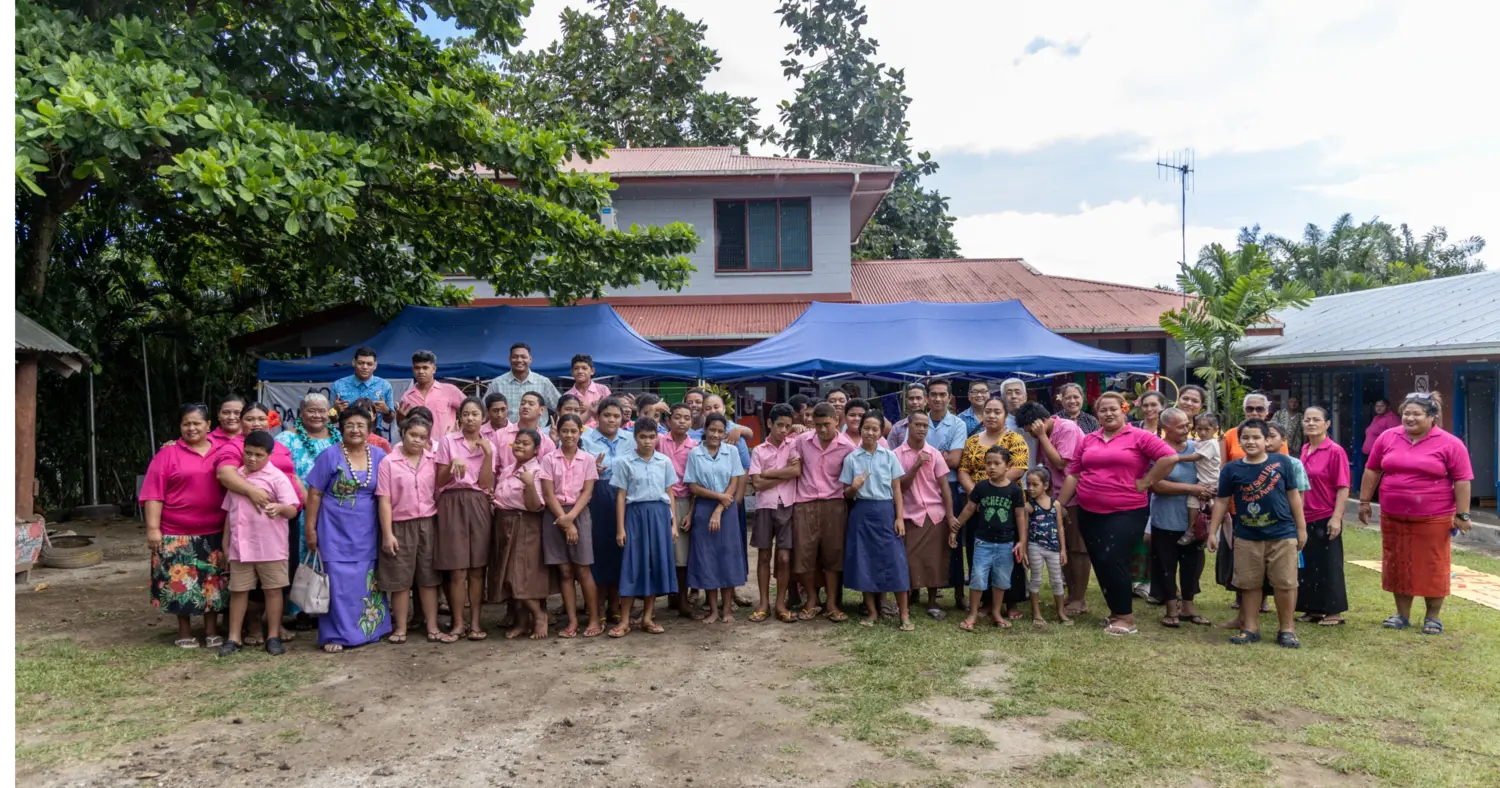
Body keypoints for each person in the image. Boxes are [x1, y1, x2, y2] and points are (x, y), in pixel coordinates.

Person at [1056, 392, 1180, 636]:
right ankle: (1115, 612)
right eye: (1103, 410)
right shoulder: (1089, 439)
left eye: (1113, 409)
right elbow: (1074, 474)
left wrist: (1146, 482)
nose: (1108, 413)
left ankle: (1126, 617)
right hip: (1089, 511)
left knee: (1113, 558)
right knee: (1100, 560)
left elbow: (1169, 457)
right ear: (1097, 414)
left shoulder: (1139, 436)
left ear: (1124, 410)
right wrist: (1059, 505)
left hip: (1127, 511)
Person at [1359, 394, 1474, 635]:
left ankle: (1433, 617)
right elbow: (1372, 470)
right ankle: (1402, 615)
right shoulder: (1388, 437)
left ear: (1432, 417)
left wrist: (1462, 514)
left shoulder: (1450, 443)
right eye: (1406, 413)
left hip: (1434, 518)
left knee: (1433, 565)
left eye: (1417, 414)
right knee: (1398, 563)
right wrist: (1364, 501)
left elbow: (1462, 480)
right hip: (1393, 515)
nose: (1410, 418)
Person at [1206, 419, 1307, 648]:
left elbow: (1293, 496)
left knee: (1285, 582)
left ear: (1266, 440)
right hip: (1246, 536)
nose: (1251, 442)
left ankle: (1287, 630)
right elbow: (1222, 501)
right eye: (1246, 438)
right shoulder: (1231, 469)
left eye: (1256, 437)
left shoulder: (1282, 463)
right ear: (1239, 441)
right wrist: (1213, 532)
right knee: (1249, 583)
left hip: (1282, 534)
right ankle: (1249, 628)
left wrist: (1301, 529)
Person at [302, 404, 392, 653]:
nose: (355, 430)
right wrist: (310, 529)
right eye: (349, 425)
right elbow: (314, 494)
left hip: (367, 529)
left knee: (366, 580)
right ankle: (336, 635)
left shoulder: (379, 456)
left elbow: (386, 495)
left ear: (369, 429)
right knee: (338, 583)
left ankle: (370, 630)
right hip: (333, 529)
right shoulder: (329, 455)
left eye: (360, 425)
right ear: (341, 428)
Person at [141, 403, 231, 649]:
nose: (191, 428)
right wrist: (153, 529)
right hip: (176, 533)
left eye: (196, 423)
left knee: (213, 583)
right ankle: (184, 631)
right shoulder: (167, 454)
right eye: (186, 424)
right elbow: (153, 494)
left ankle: (211, 629)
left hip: (215, 532)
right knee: (181, 584)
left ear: (208, 425)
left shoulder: (223, 452)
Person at [218, 430, 300, 656]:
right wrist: (226, 543)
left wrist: (280, 508)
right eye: (248, 453)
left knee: (273, 591)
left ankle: (273, 636)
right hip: (241, 547)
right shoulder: (237, 477)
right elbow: (229, 513)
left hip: (270, 546)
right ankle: (234, 637)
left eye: (258, 455)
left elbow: (292, 510)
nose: (252, 459)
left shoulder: (277, 478)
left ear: (269, 455)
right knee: (238, 591)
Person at [376, 415, 453, 645]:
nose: (417, 440)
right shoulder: (389, 462)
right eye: (413, 435)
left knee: (429, 578)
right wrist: (387, 533)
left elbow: (439, 490)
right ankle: (401, 628)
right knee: (400, 580)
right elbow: (384, 500)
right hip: (400, 525)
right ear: (403, 433)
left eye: (422, 437)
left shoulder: (432, 460)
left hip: (428, 523)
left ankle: (432, 627)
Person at [838, 412, 913, 630]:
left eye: (874, 429)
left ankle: (904, 614)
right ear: (860, 429)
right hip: (861, 513)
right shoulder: (851, 459)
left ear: (881, 433)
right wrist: (854, 487)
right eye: (866, 428)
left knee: (896, 562)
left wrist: (899, 517)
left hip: (886, 511)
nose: (870, 432)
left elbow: (897, 489)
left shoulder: (889, 456)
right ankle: (871, 611)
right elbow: (846, 493)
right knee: (865, 561)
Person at [955, 399, 1029, 616]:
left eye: (997, 412)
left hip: (1007, 503)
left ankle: (1011, 602)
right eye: (988, 411)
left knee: (1009, 553)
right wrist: (978, 495)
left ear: (1005, 415)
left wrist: (992, 491)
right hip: (978, 505)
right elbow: (963, 470)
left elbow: (1019, 468)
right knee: (980, 553)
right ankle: (986, 602)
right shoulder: (972, 441)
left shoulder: (1015, 439)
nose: (991, 415)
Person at [1013, 402, 1086, 615]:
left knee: (1077, 549)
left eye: (1030, 429)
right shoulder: (1047, 432)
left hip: (1075, 497)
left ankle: (1079, 599)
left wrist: (1042, 436)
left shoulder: (1066, 429)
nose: (1030, 434)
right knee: (1064, 548)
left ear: (1039, 422)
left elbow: (1062, 463)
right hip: (1058, 498)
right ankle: (1072, 595)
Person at [276, 393, 341, 628]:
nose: (317, 415)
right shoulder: (286, 439)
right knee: (301, 556)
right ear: (301, 413)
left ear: (329, 413)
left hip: (332, 511)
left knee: (329, 556)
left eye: (322, 411)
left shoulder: (338, 438)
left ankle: (327, 606)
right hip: (297, 510)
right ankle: (301, 609)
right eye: (311, 410)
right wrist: (305, 498)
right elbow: (281, 473)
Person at [433, 397, 496, 641]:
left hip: (478, 502)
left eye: (475, 414)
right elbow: (439, 481)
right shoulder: (448, 441)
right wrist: (452, 465)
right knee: (457, 569)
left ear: (483, 418)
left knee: (478, 568)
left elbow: (486, 484)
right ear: (459, 417)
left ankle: (476, 623)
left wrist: (488, 455)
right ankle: (458, 623)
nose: (470, 418)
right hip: (451, 502)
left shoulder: (489, 444)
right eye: (466, 414)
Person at [610, 416, 679, 637]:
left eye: (651, 437)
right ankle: (624, 621)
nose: (647, 441)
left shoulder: (664, 461)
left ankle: (648, 617)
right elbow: (621, 496)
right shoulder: (624, 462)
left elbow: (670, 493)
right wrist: (620, 528)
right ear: (635, 437)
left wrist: (673, 524)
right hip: (635, 516)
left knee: (654, 564)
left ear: (657, 437)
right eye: (642, 437)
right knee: (633, 565)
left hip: (659, 516)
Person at [791, 403, 858, 621]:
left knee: (833, 555)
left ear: (836, 421)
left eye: (826, 424)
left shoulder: (847, 446)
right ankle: (811, 599)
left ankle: (831, 603)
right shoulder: (802, 441)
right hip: (805, 504)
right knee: (804, 554)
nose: (821, 429)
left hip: (834, 504)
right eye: (818, 425)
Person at [951, 445, 1027, 631]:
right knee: (977, 578)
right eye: (988, 463)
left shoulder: (1014, 490)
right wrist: (955, 528)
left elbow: (1020, 516)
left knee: (1001, 580)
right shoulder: (981, 487)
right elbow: (969, 508)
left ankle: (996, 613)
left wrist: (1022, 541)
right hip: (983, 543)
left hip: (1006, 544)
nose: (992, 467)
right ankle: (972, 614)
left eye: (997, 463)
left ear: (1007, 466)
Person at [1147, 408, 1211, 628]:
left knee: (1192, 563)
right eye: (1181, 426)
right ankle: (1170, 608)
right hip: (1165, 518)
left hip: (1193, 521)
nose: (1187, 429)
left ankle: (1188, 606)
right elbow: (1155, 484)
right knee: (1165, 563)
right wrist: (1191, 488)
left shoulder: (1197, 448)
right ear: (1166, 428)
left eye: (1187, 424)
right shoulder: (1157, 450)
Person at [540, 414, 602, 639]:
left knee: (583, 568)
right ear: (557, 432)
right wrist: (564, 520)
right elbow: (548, 493)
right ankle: (572, 620)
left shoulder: (587, 459)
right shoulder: (549, 459)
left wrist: (571, 519)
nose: (569, 435)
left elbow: (587, 492)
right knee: (564, 571)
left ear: (580, 432)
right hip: (554, 514)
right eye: (564, 430)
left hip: (579, 513)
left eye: (573, 431)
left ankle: (594, 619)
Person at [684, 414, 749, 624]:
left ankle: (727, 609)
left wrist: (720, 508)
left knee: (727, 557)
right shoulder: (695, 453)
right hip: (704, 507)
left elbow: (734, 481)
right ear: (705, 430)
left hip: (727, 509)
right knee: (707, 559)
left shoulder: (731, 451)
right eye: (712, 430)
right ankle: (712, 609)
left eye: (720, 431)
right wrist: (718, 497)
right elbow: (693, 487)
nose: (716, 435)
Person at [489, 429, 552, 640]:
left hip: (526, 524)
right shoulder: (508, 469)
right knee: (507, 575)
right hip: (504, 523)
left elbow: (535, 506)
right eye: (517, 442)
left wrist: (529, 484)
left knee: (519, 575)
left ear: (536, 449)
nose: (520, 446)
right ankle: (522, 622)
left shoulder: (537, 471)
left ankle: (539, 616)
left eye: (526, 443)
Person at [894, 411, 956, 620]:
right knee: (909, 559)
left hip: (934, 514)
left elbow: (944, 488)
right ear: (908, 426)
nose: (921, 429)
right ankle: (911, 596)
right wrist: (916, 466)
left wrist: (950, 516)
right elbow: (899, 487)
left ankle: (932, 602)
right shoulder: (897, 454)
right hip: (910, 514)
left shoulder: (935, 454)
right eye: (917, 425)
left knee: (934, 559)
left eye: (925, 425)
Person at [1297, 406, 1350, 627]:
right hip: (1305, 516)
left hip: (1325, 515)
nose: (1311, 423)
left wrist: (1336, 517)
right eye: (1307, 419)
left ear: (1327, 424)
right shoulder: (1305, 449)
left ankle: (1333, 612)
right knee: (1308, 564)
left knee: (1329, 565)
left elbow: (1343, 486)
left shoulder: (1335, 451)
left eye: (1316, 419)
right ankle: (1313, 609)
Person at [583, 398, 634, 625]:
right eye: (606, 415)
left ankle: (615, 604)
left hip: (625, 496)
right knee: (599, 549)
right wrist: (590, 468)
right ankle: (597, 605)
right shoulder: (586, 440)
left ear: (622, 418)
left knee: (620, 549)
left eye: (616, 416)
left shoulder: (631, 439)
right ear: (597, 417)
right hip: (598, 496)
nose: (611, 420)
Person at [749, 404, 800, 623]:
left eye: (788, 426)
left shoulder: (794, 445)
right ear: (770, 423)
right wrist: (784, 475)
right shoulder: (759, 450)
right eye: (779, 425)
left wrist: (768, 473)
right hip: (764, 506)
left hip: (787, 504)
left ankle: (780, 603)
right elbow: (757, 484)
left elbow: (796, 471)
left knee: (784, 557)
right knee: (763, 556)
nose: (783, 430)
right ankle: (763, 603)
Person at [657, 403, 699, 617]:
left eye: (687, 418)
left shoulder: (695, 448)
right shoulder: (658, 441)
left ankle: (682, 599)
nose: (682, 421)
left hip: (683, 501)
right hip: (658, 500)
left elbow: (696, 484)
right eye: (677, 417)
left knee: (681, 555)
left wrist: (690, 512)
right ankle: (666, 597)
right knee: (661, 550)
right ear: (668, 420)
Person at [1022, 468, 1069, 626]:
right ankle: (1036, 613)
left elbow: (1060, 527)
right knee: (1036, 579)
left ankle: (1061, 612)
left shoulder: (1056, 505)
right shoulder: (1029, 506)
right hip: (1035, 547)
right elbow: (1024, 528)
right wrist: (1024, 550)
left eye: (1035, 484)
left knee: (1057, 580)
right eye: (1028, 484)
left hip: (1054, 548)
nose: (1030, 488)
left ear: (1046, 485)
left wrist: (1063, 549)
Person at [486, 342, 562, 430]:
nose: (519, 360)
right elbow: (484, 411)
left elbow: (561, 408)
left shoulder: (543, 382)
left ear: (530, 359)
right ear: (509, 359)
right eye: (515, 357)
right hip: (505, 435)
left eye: (523, 357)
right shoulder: (497, 384)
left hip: (537, 435)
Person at [331, 346, 396, 437]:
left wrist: (386, 411)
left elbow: (389, 420)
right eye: (361, 363)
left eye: (369, 364)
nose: (365, 367)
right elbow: (331, 420)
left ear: (375, 365)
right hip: (346, 435)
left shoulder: (385, 386)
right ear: (354, 362)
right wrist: (334, 410)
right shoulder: (338, 385)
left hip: (374, 436)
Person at [398, 350, 465, 438]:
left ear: (434, 369)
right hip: (419, 445)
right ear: (413, 370)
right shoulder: (407, 397)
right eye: (417, 368)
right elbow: (402, 426)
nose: (421, 371)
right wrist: (400, 417)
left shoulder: (450, 390)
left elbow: (471, 410)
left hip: (447, 444)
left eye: (425, 368)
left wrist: (462, 431)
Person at [494, 391, 558, 475]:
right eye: (523, 403)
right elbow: (493, 468)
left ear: (541, 410)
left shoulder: (547, 443)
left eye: (531, 404)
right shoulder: (500, 435)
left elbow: (548, 475)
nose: (525, 406)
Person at [1222, 392, 1271, 464]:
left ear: (1267, 411)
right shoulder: (1230, 434)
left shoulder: (1274, 434)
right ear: (1244, 410)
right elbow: (1223, 465)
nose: (1254, 413)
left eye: (1260, 409)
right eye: (1250, 409)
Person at [566, 354, 611, 425]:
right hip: (577, 431)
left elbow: (612, 413)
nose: (580, 371)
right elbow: (567, 423)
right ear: (572, 372)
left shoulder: (603, 390)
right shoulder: (567, 396)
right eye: (576, 368)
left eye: (584, 368)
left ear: (592, 371)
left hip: (601, 431)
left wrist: (590, 408)